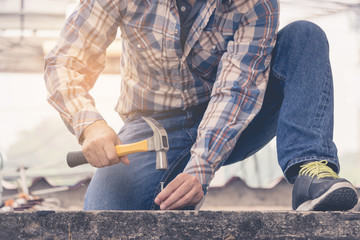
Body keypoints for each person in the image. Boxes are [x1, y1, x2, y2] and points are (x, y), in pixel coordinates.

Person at [44, 0, 359, 211]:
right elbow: (66, 59)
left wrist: (201, 167)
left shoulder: (254, 5)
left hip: (232, 118)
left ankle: (310, 169)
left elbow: (236, 90)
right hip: (153, 130)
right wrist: (90, 124)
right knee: (101, 216)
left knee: (304, 37)